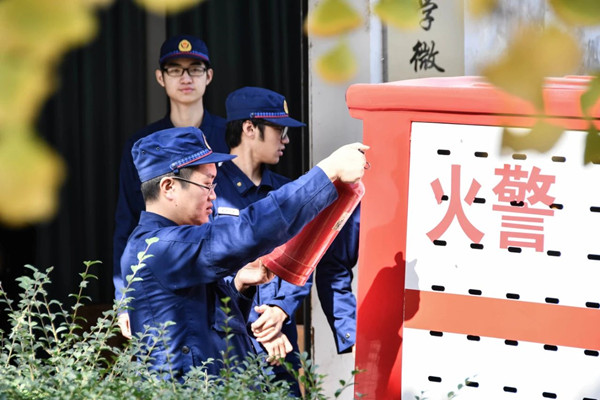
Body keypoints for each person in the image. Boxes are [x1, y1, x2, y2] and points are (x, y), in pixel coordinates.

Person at [121, 125, 368, 380]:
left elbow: (205, 328)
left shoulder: (173, 243)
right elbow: (248, 230)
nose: (213, 196)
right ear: (169, 187)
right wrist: (326, 172)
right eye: (207, 185)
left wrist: (240, 287)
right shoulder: (159, 247)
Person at [212, 87, 360, 395]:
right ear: (249, 128)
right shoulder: (209, 192)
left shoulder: (290, 192)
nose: (287, 140)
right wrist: (257, 322)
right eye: (279, 130)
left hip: (281, 346)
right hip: (227, 345)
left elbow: (305, 258)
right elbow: (206, 266)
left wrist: (280, 309)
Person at [113, 34, 228, 338]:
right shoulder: (143, 145)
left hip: (226, 270)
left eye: (195, 68)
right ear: (160, 78)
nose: (185, 77)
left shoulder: (230, 135)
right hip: (164, 275)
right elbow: (128, 220)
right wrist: (123, 298)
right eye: (175, 69)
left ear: (209, 76)